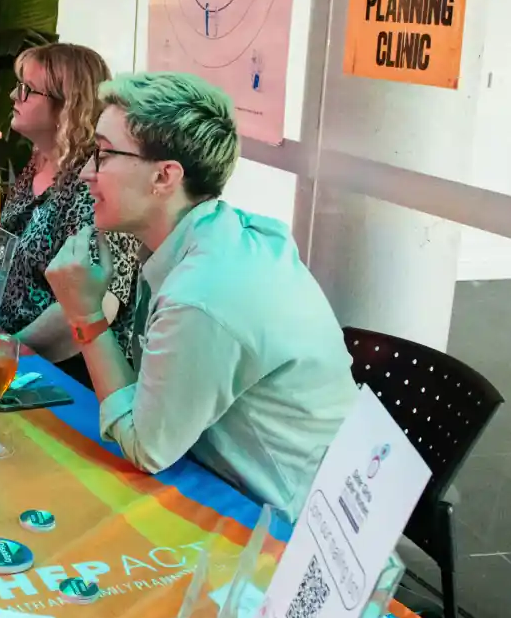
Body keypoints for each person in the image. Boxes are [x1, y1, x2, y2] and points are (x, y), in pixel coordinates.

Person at [44, 72, 357, 518]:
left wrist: (86, 314)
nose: (88, 174)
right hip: (242, 485)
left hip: (296, 535)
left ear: (165, 176)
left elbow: (145, 447)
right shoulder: (217, 235)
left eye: (103, 154)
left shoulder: (204, 290)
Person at [0, 43, 139, 382]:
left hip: (67, 379)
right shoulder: (39, 162)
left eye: (27, 90)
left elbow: (100, 302)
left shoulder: (96, 182)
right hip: (15, 363)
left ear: (68, 106)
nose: (13, 96)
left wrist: (13, 349)